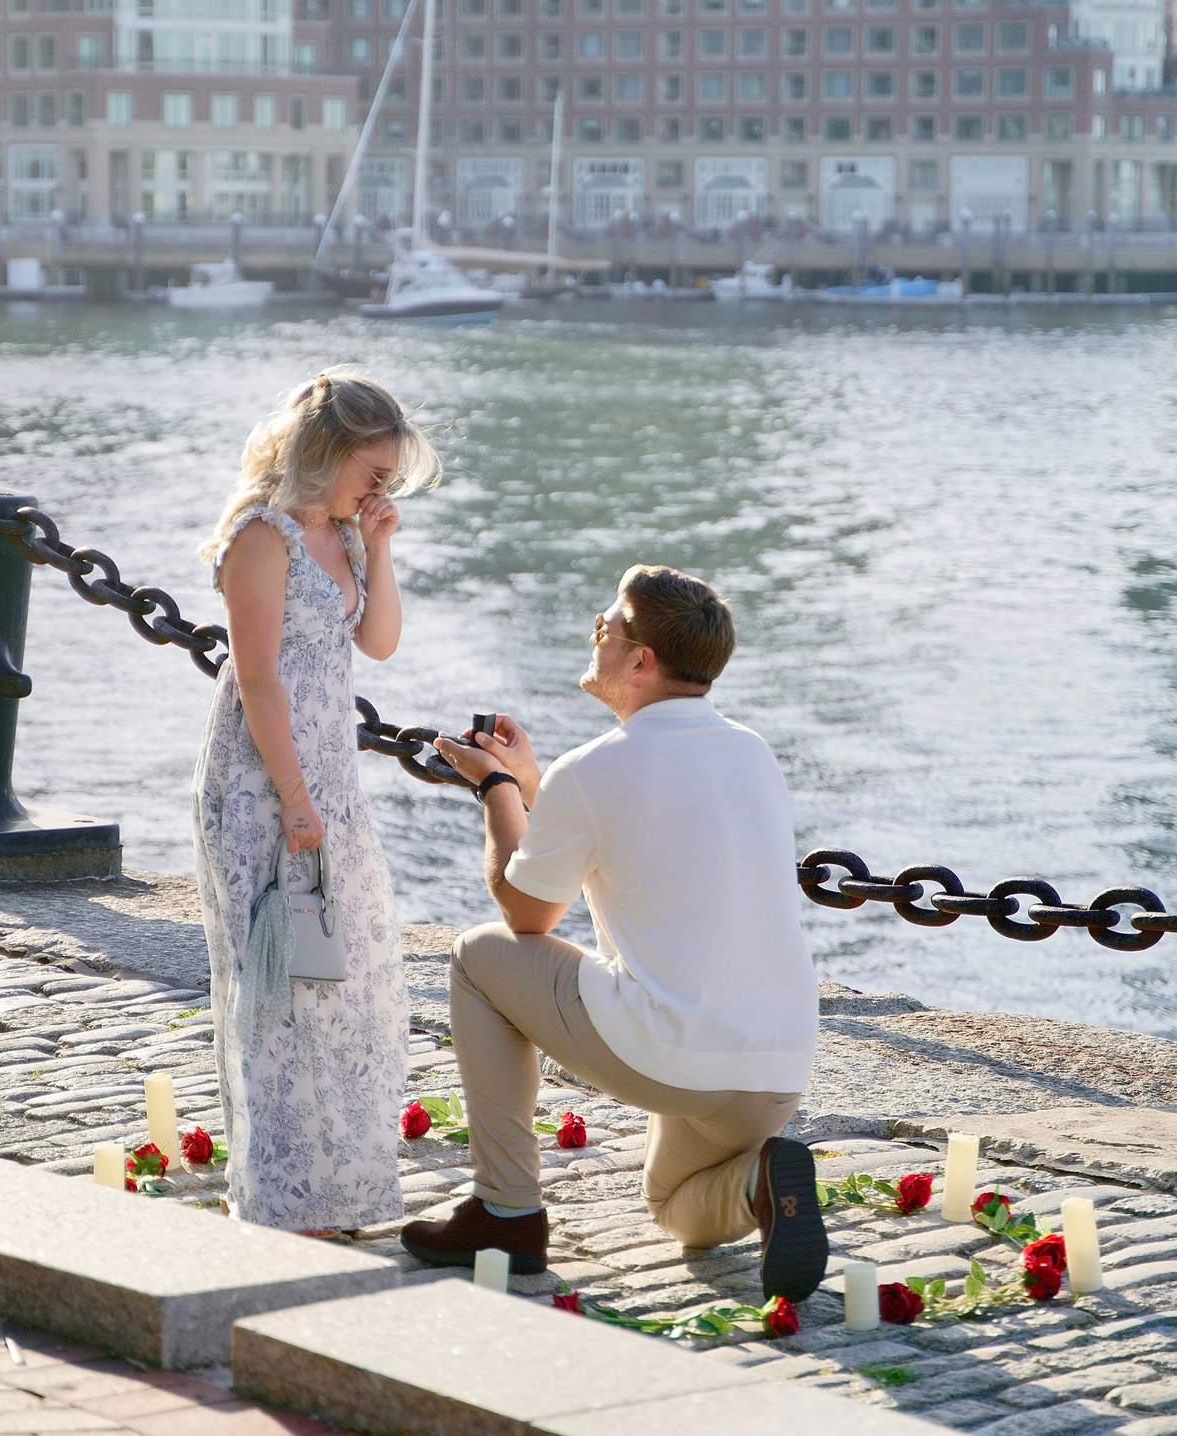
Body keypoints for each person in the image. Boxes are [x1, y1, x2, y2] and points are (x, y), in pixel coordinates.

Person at [409, 565, 827, 1301]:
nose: (594, 631)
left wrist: (497, 788)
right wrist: (535, 786)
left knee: (479, 956)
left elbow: (526, 914)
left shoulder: (596, 769)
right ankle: (761, 1180)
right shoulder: (753, 753)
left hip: (672, 1053)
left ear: (641, 660)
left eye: (608, 625)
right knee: (677, 1212)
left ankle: (506, 1211)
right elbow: (641, 837)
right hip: (778, 1069)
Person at [191, 367, 439, 1234]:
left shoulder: (342, 535)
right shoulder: (260, 537)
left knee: (346, 974)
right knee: (279, 987)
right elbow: (258, 679)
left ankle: (334, 1189)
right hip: (266, 782)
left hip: (332, 777)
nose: (382, 488)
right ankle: (285, 1201)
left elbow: (378, 644)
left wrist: (380, 544)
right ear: (326, 452)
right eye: (373, 473)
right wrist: (296, 804)